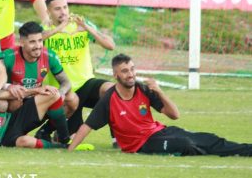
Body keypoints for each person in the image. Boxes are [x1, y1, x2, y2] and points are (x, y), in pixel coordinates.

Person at [68, 54, 252, 156]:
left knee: (208, 138)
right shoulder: (109, 99)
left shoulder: (143, 89)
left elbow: (174, 115)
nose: (130, 74)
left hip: (159, 132)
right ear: (116, 75)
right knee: (185, 143)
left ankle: (246, 150)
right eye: (125, 71)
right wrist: (70, 151)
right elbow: (87, 126)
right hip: (140, 145)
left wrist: (159, 91)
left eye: (132, 69)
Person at [0, 67, 93, 150]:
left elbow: (8, 94)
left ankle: (64, 137)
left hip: (12, 120)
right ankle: (62, 146)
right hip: (3, 139)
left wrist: (37, 90)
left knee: (53, 94)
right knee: (25, 142)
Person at [38, 0, 116, 143]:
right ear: (48, 12)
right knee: (71, 139)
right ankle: (51, 131)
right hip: (64, 90)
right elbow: (31, 42)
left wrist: (87, 28)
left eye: (65, 7)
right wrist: (58, 29)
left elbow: (110, 45)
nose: (63, 12)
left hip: (86, 83)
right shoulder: (45, 28)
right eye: (57, 9)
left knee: (112, 90)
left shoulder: (80, 24)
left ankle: (117, 137)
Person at [0, 22, 78, 144]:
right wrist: (8, 86)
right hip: (16, 103)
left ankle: (46, 132)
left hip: (36, 101)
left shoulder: (49, 55)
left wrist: (61, 94)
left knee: (72, 99)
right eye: (32, 42)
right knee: (7, 103)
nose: (38, 46)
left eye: (40, 40)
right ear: (22, 42)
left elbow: (66, 82)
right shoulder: (8, 56)